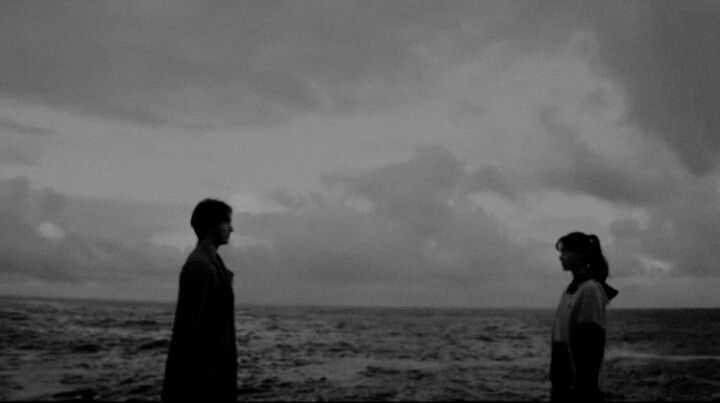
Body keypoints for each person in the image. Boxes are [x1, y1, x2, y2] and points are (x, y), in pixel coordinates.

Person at [162, 199, 237, 402]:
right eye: (226, 222)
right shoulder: (200, 265)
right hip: (202, 376)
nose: (231, 228)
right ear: (212, 225)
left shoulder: (211, 263)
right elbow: (190, 328)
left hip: (211, 368)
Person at [550, 232, 618, 402]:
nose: (560, 257)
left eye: (564, 252)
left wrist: (583, 386)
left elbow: (592, 343)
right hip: (564, 383)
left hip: (579, 388)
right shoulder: (571, 290)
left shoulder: (590, 290)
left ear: (580, 254)